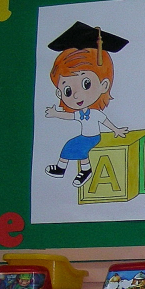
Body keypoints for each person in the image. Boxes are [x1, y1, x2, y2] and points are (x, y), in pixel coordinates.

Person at [43, 21, 129, 187]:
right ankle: (76, 169)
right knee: (74, 148)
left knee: (75, 148)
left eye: (86, 84)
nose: (76, 95)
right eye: (68, 90)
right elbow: (69, 116)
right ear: (59, 93)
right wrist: (55, 113)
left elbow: (105, 121)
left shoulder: (94, 113)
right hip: (87, 137)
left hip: (93, 137)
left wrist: (116, 130)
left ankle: (75, 169)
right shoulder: (82, 112)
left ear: (104, 85)